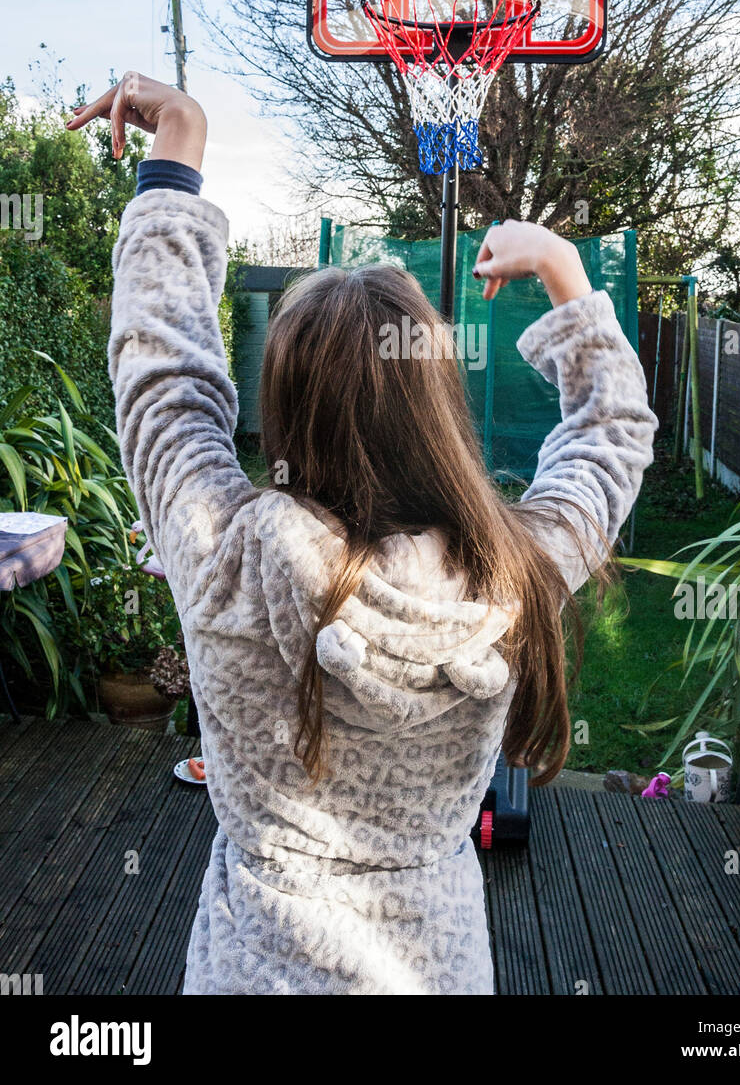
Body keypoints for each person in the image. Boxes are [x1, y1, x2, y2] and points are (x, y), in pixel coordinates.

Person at [68, 70, 658, 996]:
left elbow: (162, 372)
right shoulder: (512, 576)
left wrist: (176, 155)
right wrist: (563, 273)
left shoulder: (221, 549)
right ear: (434, 409)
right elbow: (610, 440)